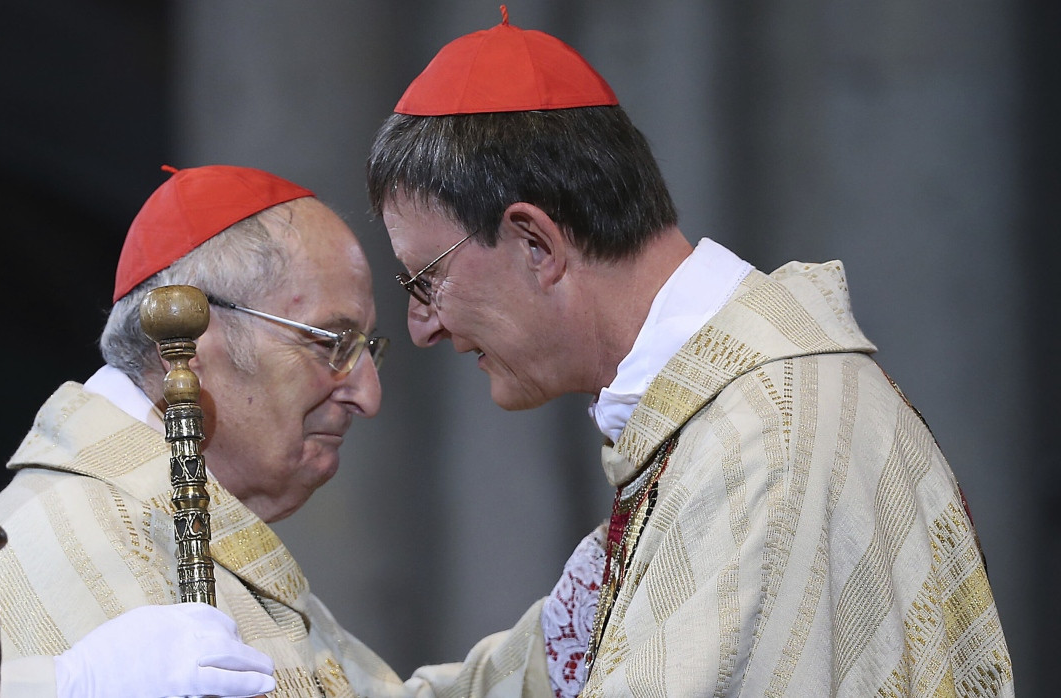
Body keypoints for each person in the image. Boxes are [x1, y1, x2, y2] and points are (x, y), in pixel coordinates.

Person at [366, 7, 1014, 696]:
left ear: (536, 244)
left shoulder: (760, 447)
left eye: (425, 278)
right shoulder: (721, 425)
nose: (421, 326)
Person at [0, 165, 553, 698]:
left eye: (367, 350)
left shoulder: (169, 518)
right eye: (333, 342)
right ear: (189, 342)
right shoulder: (72, 542)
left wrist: (564, 636)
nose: (368, 393)